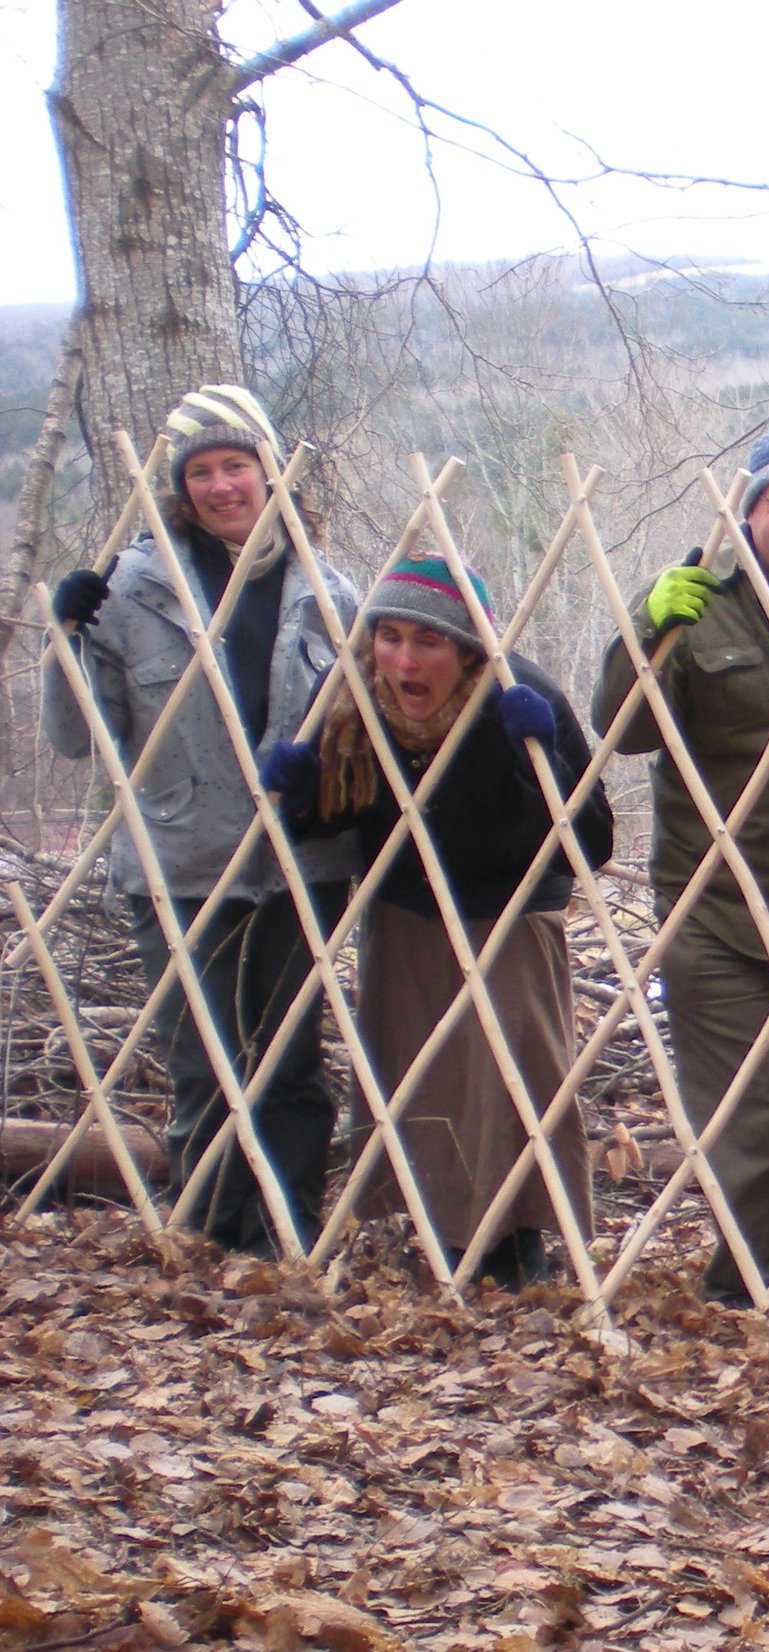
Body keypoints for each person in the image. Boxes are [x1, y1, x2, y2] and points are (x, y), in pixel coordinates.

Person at [41, 385, 360, 1258]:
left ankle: (289, 1240)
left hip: (305, 862)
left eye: (238, 465)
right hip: (183, 861)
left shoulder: (326, 591)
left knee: (290, 1063)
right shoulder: (132, 593)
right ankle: (214, 1238)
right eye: (203, 472)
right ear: (179, 489)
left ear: (272, 472)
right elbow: (76, 738)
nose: (223, 486)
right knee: (204, 1064)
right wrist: (67, 637)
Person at [261, 557, 612, 1288]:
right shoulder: (359, 703)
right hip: (407, 913)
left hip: (507, 915)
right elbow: (337, 813)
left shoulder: (518, 693)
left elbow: (592, 839)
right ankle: (438, 1227)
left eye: (428, 641)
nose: (404, 659)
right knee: (416, 1077)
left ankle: (518, 1238)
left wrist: (538, 755)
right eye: (388, 637)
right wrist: (298, 796)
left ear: (467, 649)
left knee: (511, 1081)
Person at [591, 427, 769, 1306]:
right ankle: (747, 1283)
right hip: (716, 904)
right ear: (748, 511)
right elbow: (625, 728)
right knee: (748, 1109)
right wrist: (646, 628)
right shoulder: (694, 601)